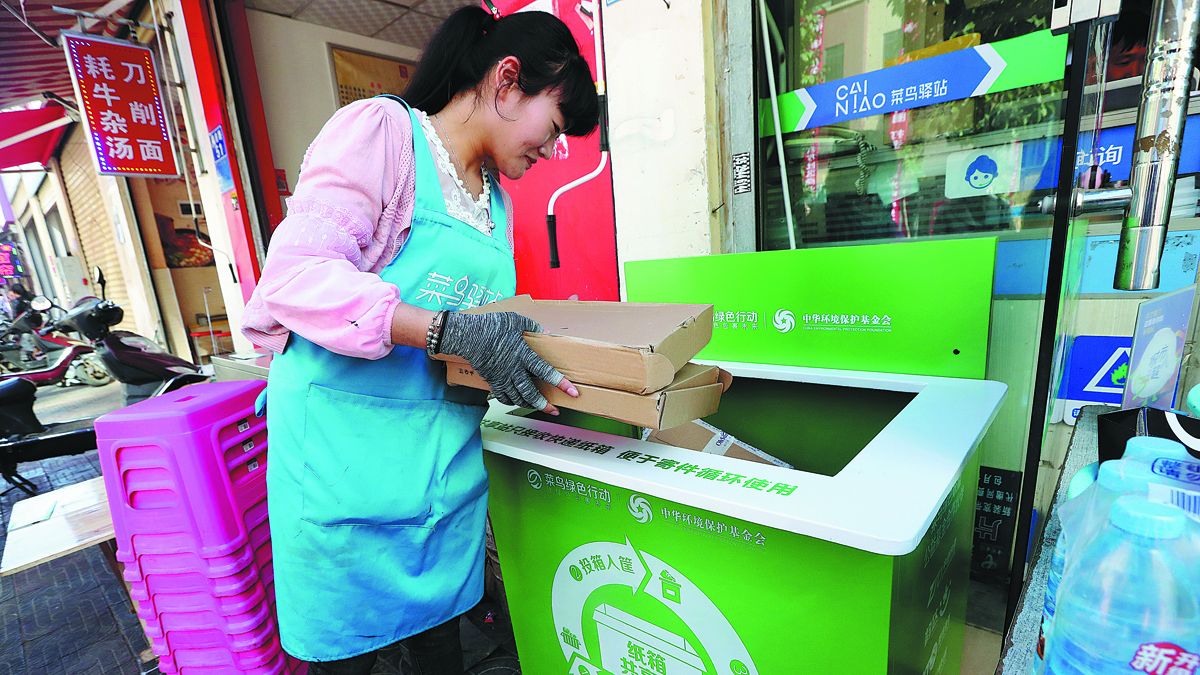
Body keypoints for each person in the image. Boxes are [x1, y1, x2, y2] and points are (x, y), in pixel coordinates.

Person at [241, 7, 598, 674]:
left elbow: (479, 326)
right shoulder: (383, 135)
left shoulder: (496, 201)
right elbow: (297, 276)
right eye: (554, 126)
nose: (553, 150)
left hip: (440, 491)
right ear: (506, 80)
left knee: (441, 657)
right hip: (347, 482)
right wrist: (444, 329)